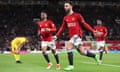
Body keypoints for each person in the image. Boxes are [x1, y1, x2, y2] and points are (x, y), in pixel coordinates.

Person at [54, 1, 99, 71]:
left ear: (71, 6)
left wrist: (92, 30)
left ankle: (71, 65)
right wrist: (56, 36)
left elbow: (84, 24)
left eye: (66, 6)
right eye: (64, 6)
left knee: (69, 46)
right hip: (72, 36)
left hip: (77, 35)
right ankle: (95, 55)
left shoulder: (77, 15)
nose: (65, 7)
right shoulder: (65, 18)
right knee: (82, 52)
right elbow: (62, 28)